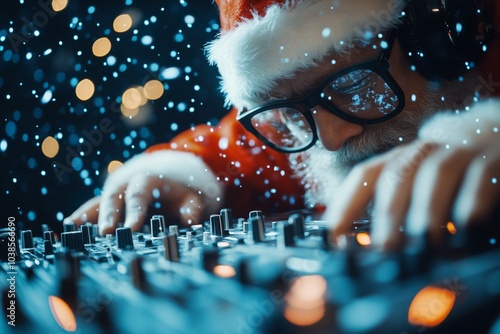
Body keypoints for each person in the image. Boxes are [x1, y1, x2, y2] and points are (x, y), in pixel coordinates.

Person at [66, 0, 500, 250]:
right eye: (292, 112)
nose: (330, 141)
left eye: (351, 84)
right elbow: (235, 153)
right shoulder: (298, 123)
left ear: (439, 40)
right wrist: (183, 174)